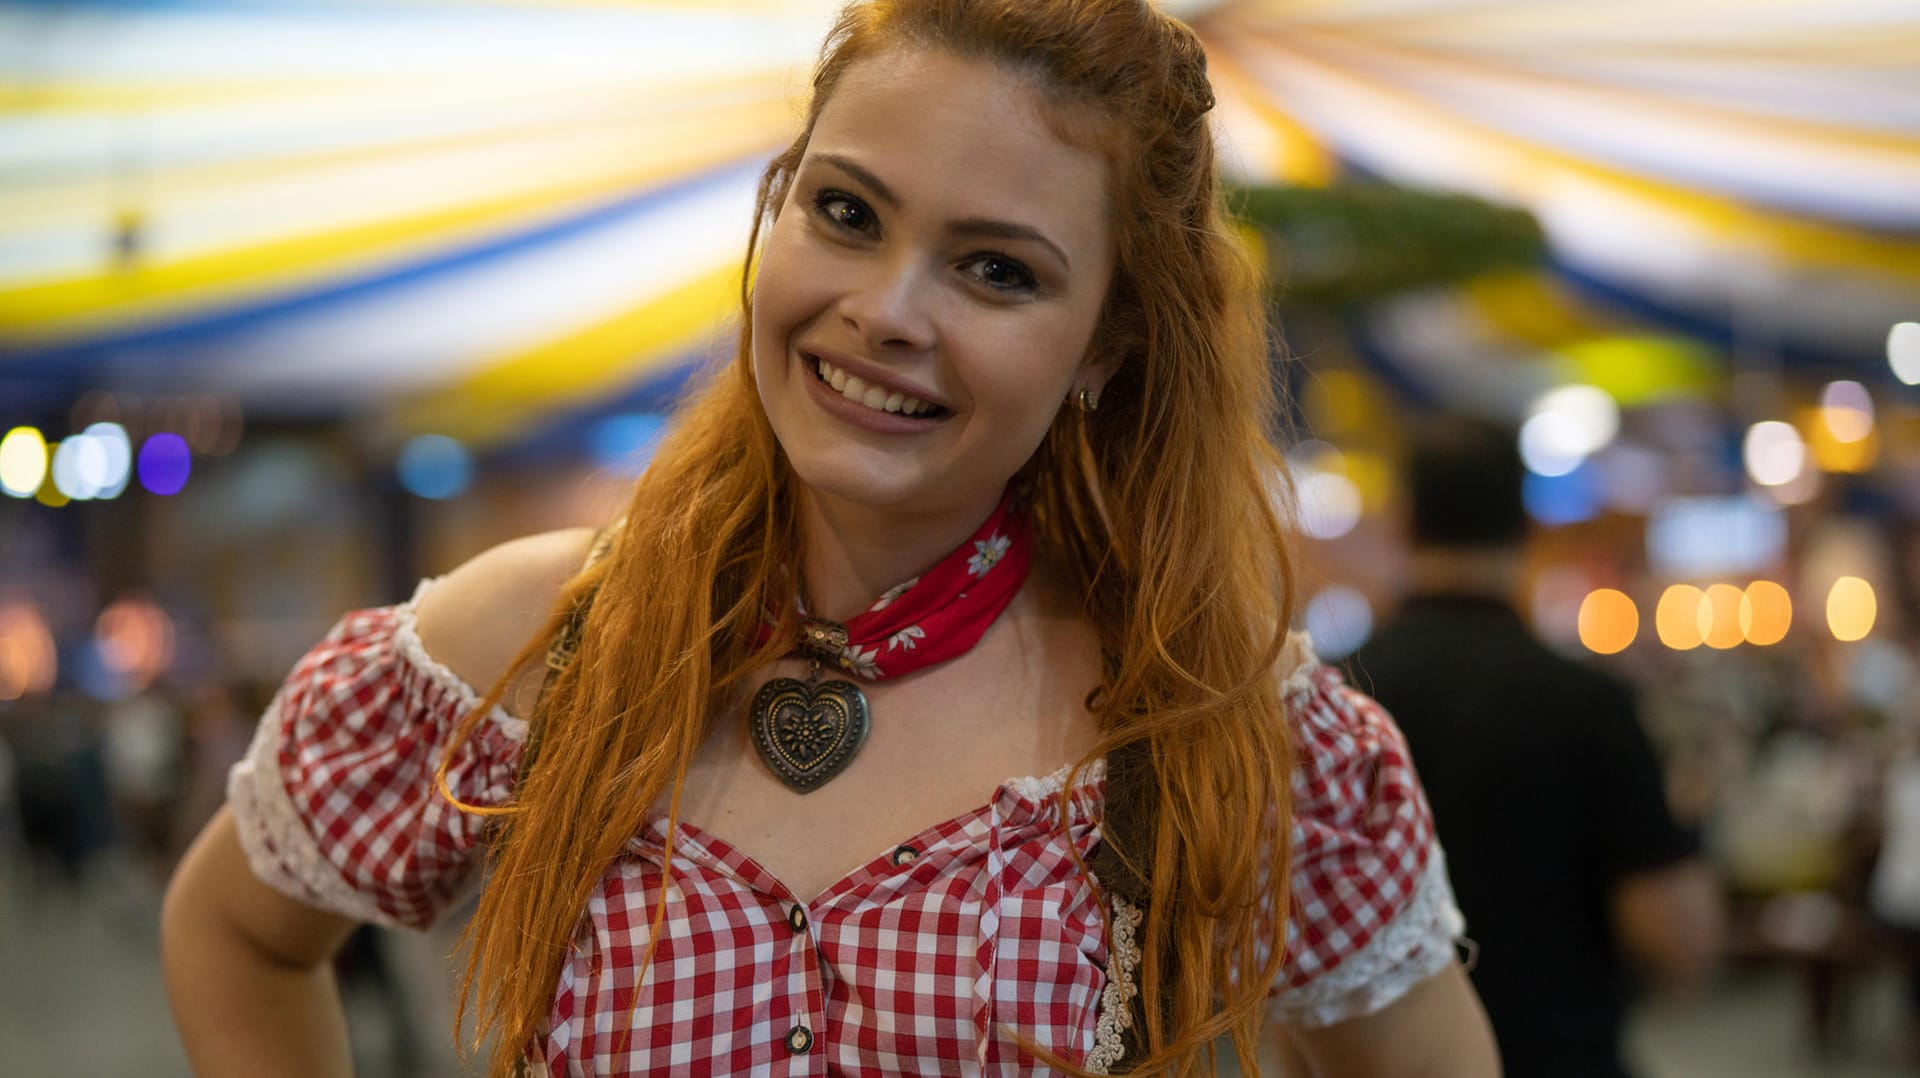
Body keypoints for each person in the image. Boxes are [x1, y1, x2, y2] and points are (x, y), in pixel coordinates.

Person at [161, 3, 1499, 1074]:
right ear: (780, 204)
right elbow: (233, 930)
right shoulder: (524, 642)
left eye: (998, 269)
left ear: (1109, 344)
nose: (887, 310)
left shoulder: (1224, 723)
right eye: (847, 212)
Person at [1347, 417, 1721, 1078]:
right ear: (1525, 528)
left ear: (1403, 522)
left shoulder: (1333, 705)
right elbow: (1677, 943)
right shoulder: (1588, 705)